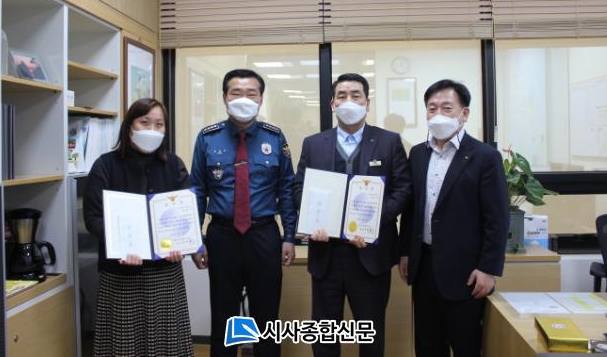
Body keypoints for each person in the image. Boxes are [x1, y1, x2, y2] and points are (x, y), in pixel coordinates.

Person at [293, 73, 410, 357]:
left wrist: (373, 224)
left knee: (370, 335)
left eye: (356, 95)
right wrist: (313, 221)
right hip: (326, 255)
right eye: (342, 96)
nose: (349, 101)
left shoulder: (388, 141)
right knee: (324, 334)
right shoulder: (313, 143)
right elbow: (299, 188)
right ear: (332, 103)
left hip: (370, 256)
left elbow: (403, 189)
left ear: (367, 103)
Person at [397, 79, 509, 357]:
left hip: (466, 273)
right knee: (427, 346)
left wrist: (488, 268)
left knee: (466, 346)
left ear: (464, 113)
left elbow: (497, 218)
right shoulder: (418, 154)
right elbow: (412, 209)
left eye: (447, 108)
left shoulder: (485, 156)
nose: (438, 114)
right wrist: (405, 252)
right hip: (423, 267)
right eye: (432, 108)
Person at [190, 69, 296, 357]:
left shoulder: (275, 137)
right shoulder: (208, 137)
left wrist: (289, 236)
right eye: (236, 92)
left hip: (263, 235)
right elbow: (197, 191)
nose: (244, 99)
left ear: (261, 99)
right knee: (224, 317)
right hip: (222, 236)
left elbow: (286, 189)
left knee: (266, 318)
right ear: (225, 97)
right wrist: (195, 240)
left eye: (251, 93)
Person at [83, 98, 193, 357]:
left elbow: (185, 215)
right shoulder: (105, 165)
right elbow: (93, 218)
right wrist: (120, 245)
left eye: (159, 124)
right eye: (145, 122)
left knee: (167, 343)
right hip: (121, 273)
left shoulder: (174, 164)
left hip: (164, 272)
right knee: (124, 344)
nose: (152, 130)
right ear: (129, 126)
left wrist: (181, 245)